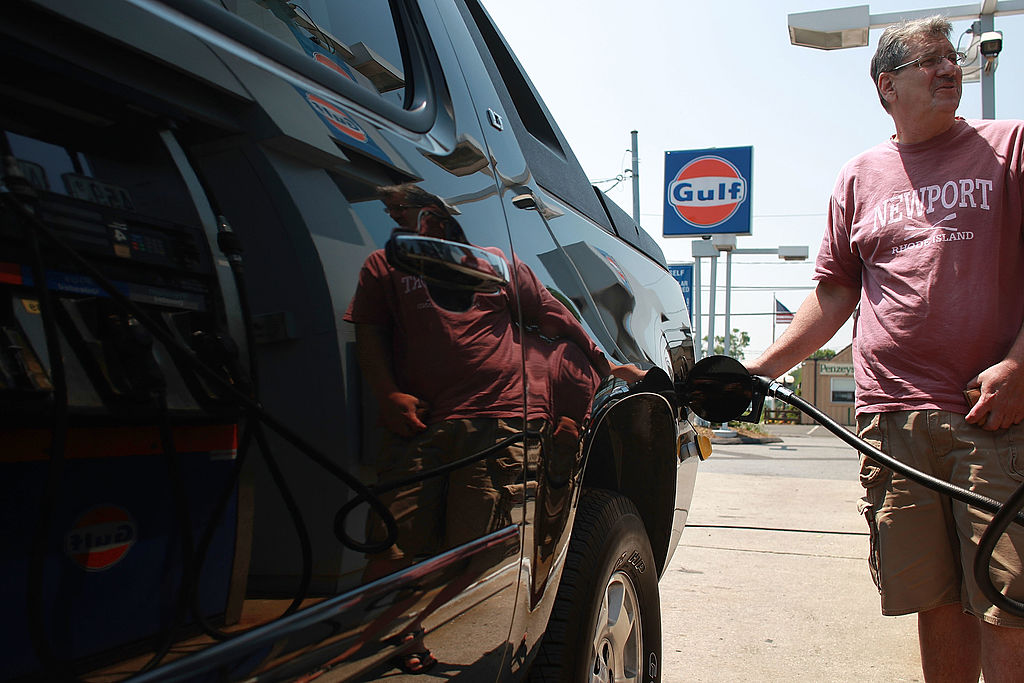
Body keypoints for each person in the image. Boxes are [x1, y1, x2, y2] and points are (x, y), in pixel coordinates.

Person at [746, 16, 1024, 682]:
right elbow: (836, 295)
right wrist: (757, 371)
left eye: (952, 58)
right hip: (892, 423)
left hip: (991, 413)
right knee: (934, 601)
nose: (949, 68)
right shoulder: (858, 176)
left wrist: (1021, 364)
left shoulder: (1009, 147)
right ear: (886, 86)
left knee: (1008, 600)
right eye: (930, 61)